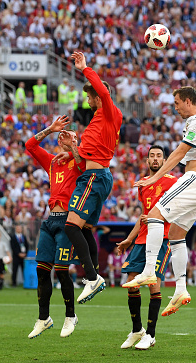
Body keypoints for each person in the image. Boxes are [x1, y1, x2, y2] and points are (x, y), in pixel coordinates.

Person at [124, 86, 196, 317]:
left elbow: (179, 152)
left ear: (188, 101)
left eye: (177, 103)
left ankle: (148, 270)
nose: (175, 108)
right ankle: (180, 289)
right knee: (176, 234)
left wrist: (154, 178)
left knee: (155, 215)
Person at [59, 51, 122, 304]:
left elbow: (104, 93)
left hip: (95, 177)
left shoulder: (109, 112)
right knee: (84, 228)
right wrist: (70, 149)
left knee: (71, 226)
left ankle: (93, 277)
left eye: (89, 95)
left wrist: (85, 68)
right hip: (94, 174)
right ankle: (93, 276)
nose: (87, 98)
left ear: (98, 96)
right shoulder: (97, 120)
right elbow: (82, 160)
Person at [25, 116, 84, 338]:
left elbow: (83, 164)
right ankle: (44, 318)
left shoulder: (79, 160)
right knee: (42, 270)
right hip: (50, 220)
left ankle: (70, 316)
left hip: (69, 220)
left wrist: (73, 147)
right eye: (63, 134)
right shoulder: (52, 161)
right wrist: (51, 129)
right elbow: (30, 146)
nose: (65, 136)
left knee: (61, 270)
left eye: (70, 134)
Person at [115, 145, 177, 349]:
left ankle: (150, 335)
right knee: (131, 282)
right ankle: (137, 330)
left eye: (159, 156)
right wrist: (129, 239)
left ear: (165, 160)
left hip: (162, 238)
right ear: (147, 160)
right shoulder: (143, 184)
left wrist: (156, 217)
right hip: (142, 239)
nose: (155, 159)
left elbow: (179, 211)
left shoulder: (173, 182)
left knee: (153, 284)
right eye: (152, 156)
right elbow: (143, 216)